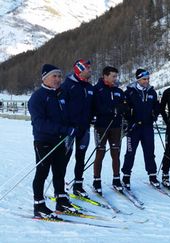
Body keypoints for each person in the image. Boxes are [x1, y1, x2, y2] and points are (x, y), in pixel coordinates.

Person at [28, 64, 78, 218]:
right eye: (54, 76)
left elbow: (66, 116)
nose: (58, 79)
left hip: (61, 141)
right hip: (44, 140)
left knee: (60, 172)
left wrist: (72, 126)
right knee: (42, 173)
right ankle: (39, 205)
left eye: (59, 76)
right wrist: (64, 129)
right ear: (45, 78)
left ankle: (61, 201)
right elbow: (39, 123)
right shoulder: (38, 97)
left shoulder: (61, 95)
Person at [121, 69, 160, 189]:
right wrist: (130, 119)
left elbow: (156, 106)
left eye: (148, 79)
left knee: (149, 152)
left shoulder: (152, 92)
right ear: (138, 79)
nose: (146, 81)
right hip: (134, 127)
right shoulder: (130, 92)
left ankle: (152, 175)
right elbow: (124, 108)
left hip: (147, 127)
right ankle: (126, 176)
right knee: (130, 152)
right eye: (144, 79)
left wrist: (154, 115)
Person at [61, 59, 93, 197]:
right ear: (79, 70)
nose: (90, 70)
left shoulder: (89, 87)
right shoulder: (67, 85)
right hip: (69, 129)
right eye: (88, 68)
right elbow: (61, 107)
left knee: (81, 157)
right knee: (64, 158)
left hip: (84, 128)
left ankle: (78, 185)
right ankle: (59, 186)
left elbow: (93, 106)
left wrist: (94, 116)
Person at [92, 66, 126, 195]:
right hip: (102, 126)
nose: (115, 79)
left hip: (116, 126)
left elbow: (124, 104)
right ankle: (97, 181)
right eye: (113, 76)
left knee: (115, 153)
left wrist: (121, 109)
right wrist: (111, 110)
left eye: (116, 76)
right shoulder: (97, 89)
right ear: (105, 76)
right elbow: (95, 107)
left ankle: (116, 179)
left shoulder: (118, 91)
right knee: (100, 153)